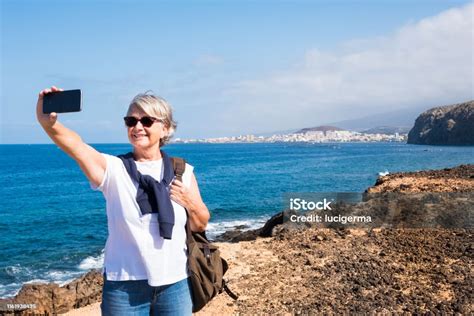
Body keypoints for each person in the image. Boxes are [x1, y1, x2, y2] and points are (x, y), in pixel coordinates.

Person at [36, 86, 210, 315]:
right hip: (124, 288)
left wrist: (191, 203)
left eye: (147, 121)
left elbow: (201, 223)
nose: (137, 127)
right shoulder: (114, 170)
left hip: (176, 283)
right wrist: (49, 124)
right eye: (131, 121)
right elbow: (77, 146)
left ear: (165, 128)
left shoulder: (182, 171)